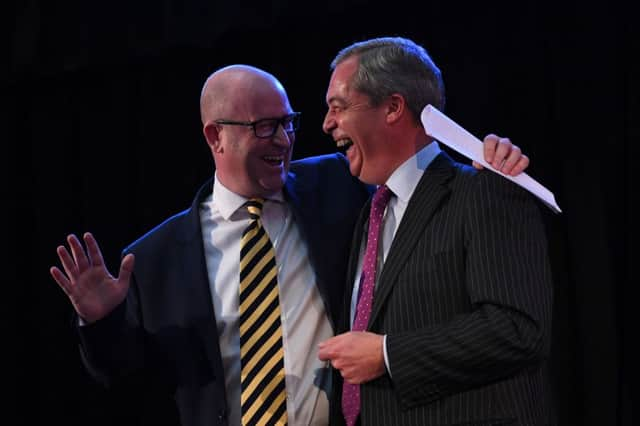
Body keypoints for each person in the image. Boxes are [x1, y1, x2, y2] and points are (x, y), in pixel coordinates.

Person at [50, 64, 530, 426]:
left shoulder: (336, 187)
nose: (282, 140)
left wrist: (481, 162)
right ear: (215, 136)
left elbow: (412, 168)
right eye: (263, 127)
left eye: (287, 122)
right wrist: (101, 322)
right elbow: (125, 380)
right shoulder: (155, 257)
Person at [317, 36, 555, 426]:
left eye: (339, 107)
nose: (327, 123)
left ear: (393, 107)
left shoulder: (486, 190)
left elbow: (518, 329)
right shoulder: (369, 214)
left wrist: (388, 354)